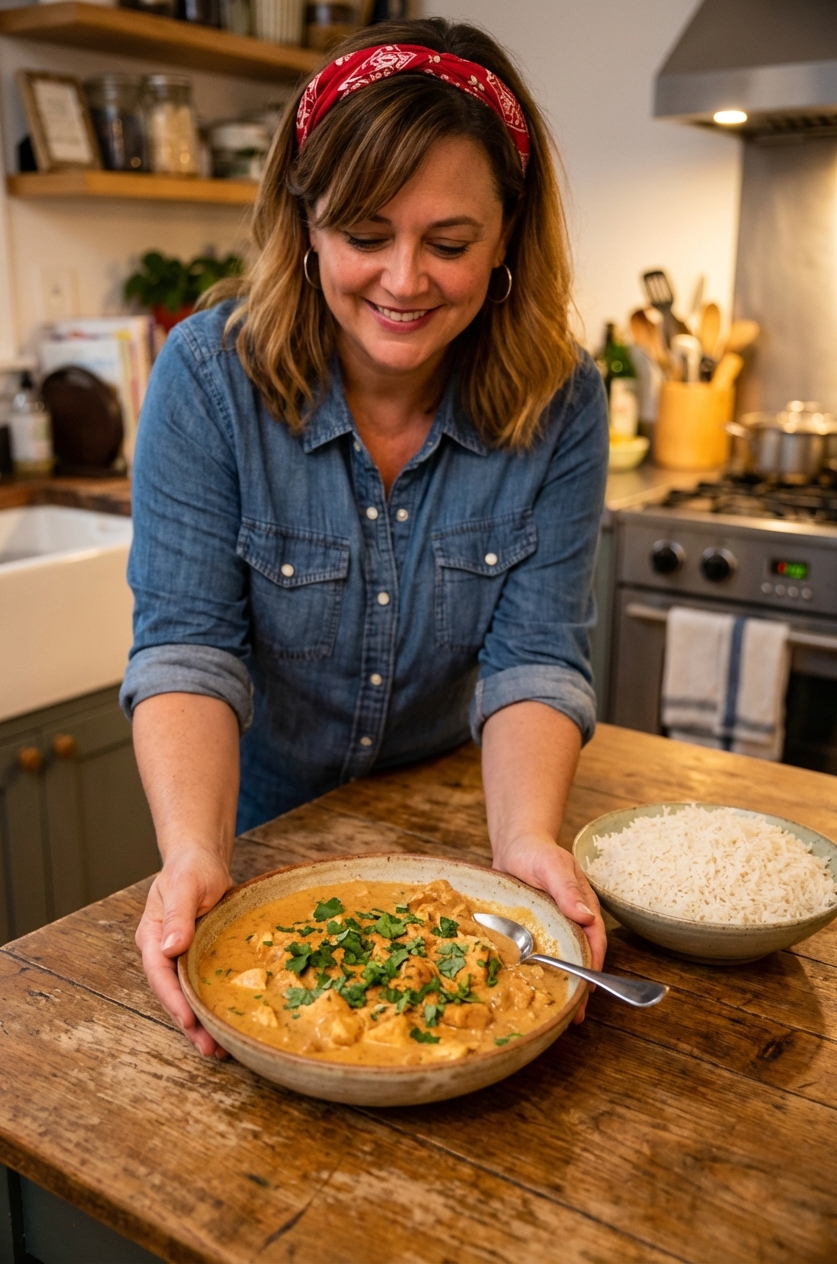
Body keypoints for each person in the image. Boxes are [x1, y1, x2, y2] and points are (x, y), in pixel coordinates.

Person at [122, 17, 609, 1057]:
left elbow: (533, 657)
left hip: (458, 841)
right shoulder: (207, 379)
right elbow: (187, 649)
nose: (402, 280)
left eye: (448, 242)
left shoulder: (562, 400)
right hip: (245, 845)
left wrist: (524, 842)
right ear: (303, 224)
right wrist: (195, 853)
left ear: (508, 236)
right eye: (363, 234)